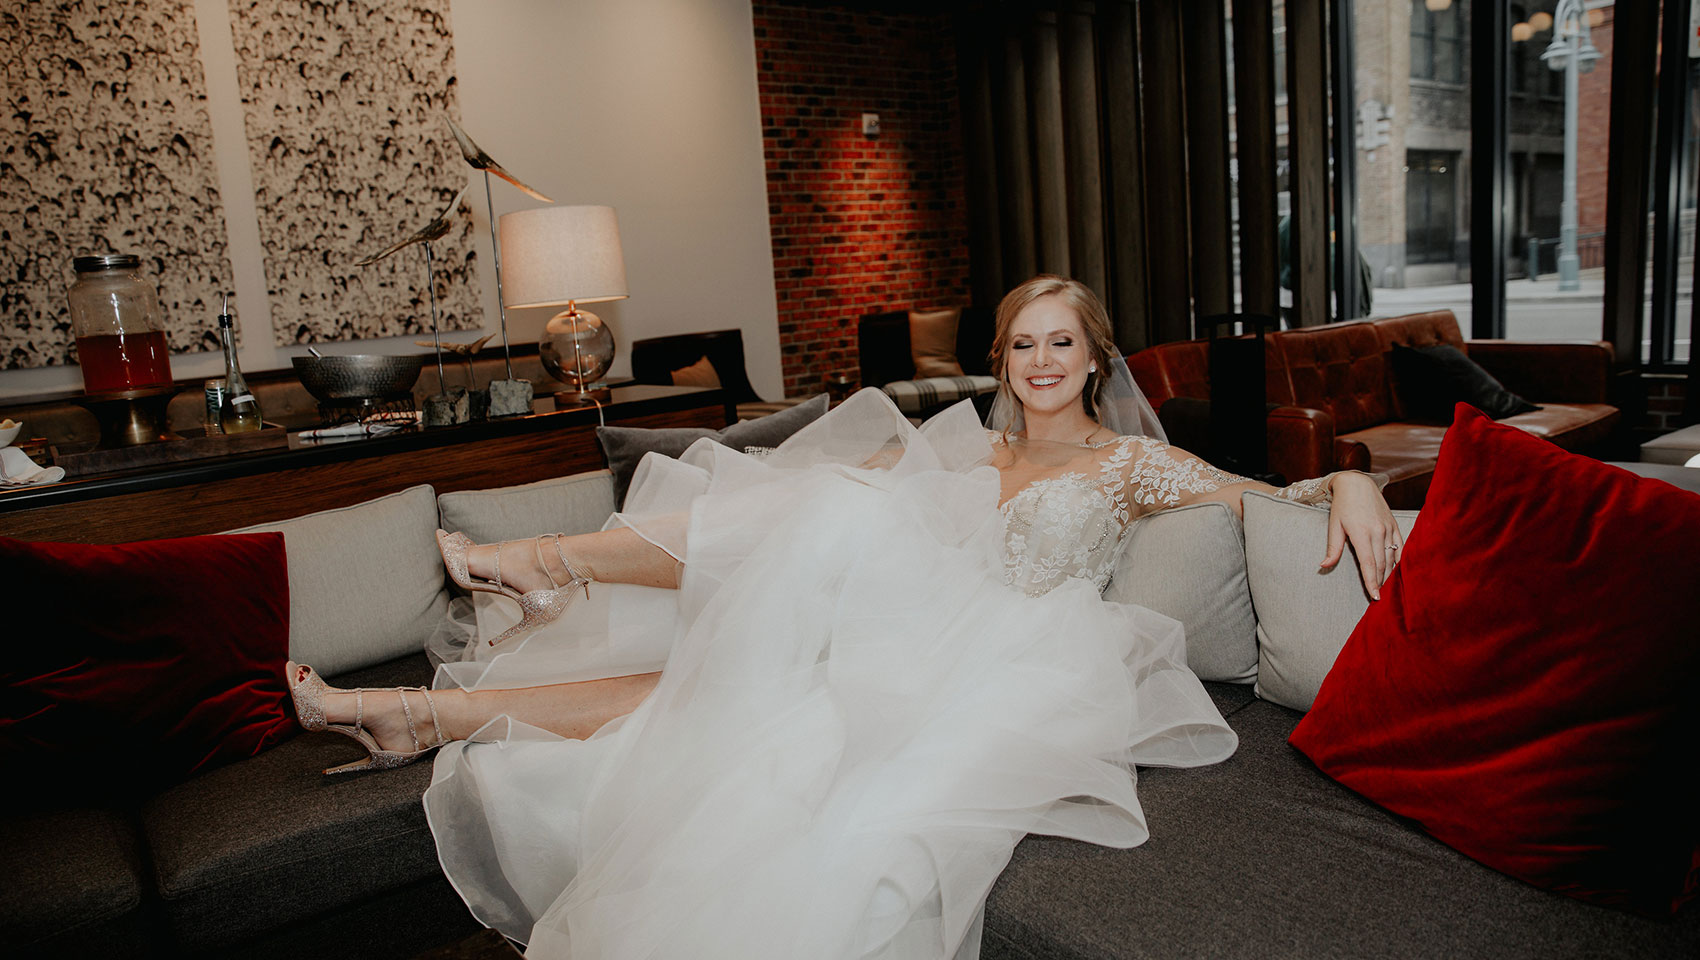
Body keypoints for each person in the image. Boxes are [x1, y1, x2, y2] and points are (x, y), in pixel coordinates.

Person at [287, 275, 1398, 958]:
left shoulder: (1134, 463)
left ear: (1095, 355)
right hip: (890, 615)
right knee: (809, 523)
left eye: (1063, 341)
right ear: (1000, 361)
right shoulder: (969, 439)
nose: (1043, 360)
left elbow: (1267, 496)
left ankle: (496, 620)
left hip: (1001, 648)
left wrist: (1349, 479)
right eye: (1022, 342)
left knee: (727, 676)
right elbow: (783, 508)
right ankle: (449, 678)